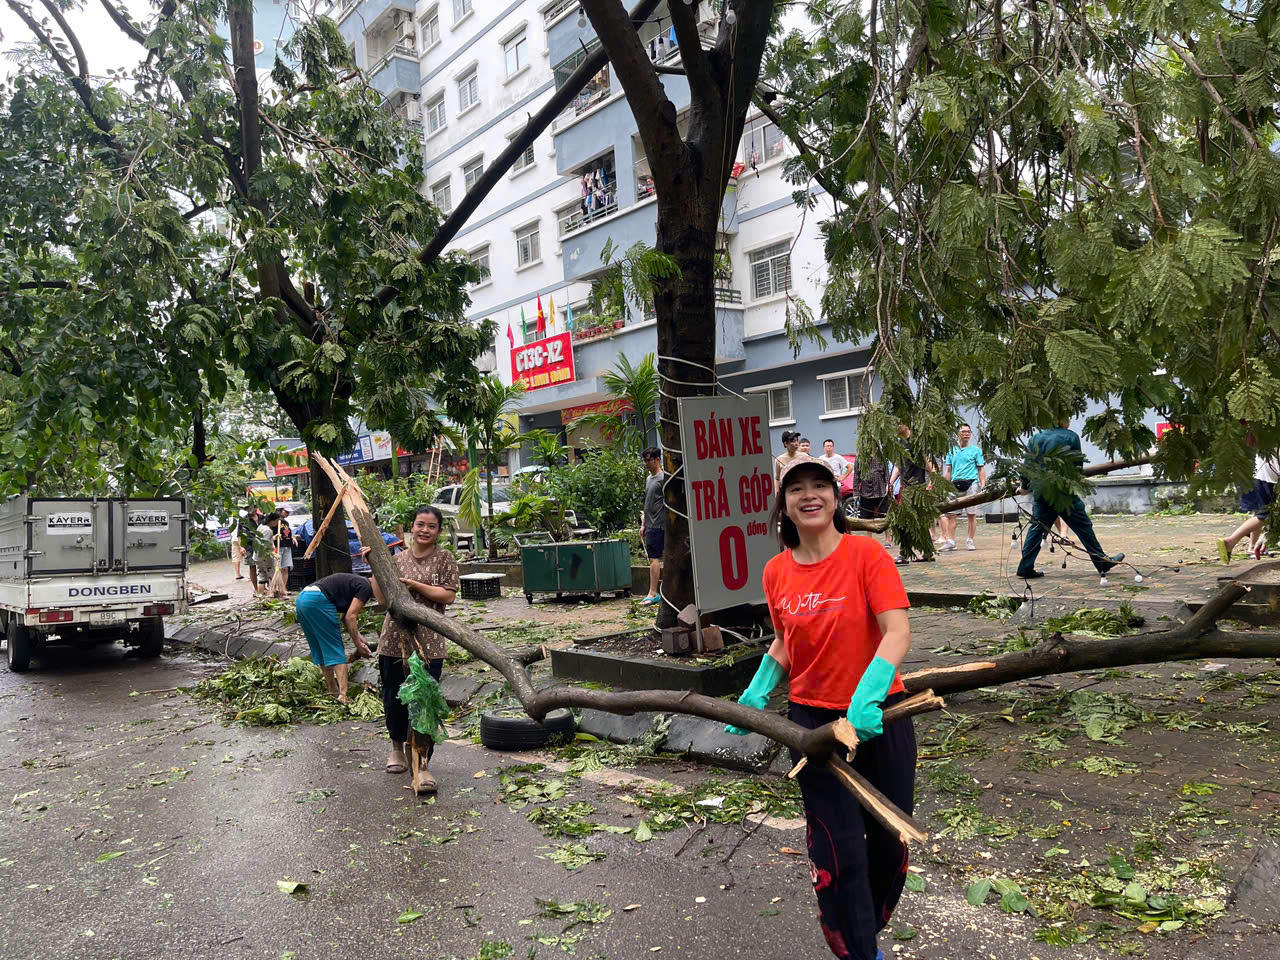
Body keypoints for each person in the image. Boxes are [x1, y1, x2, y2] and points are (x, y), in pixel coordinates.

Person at [726, 454, 915, 960]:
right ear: (783, 506)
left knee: (888, 843)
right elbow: (786, 641)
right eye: (796, 489)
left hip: (881, 718)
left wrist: (870, 693)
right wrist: (761, 684)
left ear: (836, 497)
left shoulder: (866, 556)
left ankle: (867, 929)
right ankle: (858, 950)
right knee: (838, 849)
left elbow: (897, 631)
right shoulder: (776, 571)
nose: (809, 495)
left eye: (820, 485)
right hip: (814, 728)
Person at [368, 506, 459, 793]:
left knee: (425, 702)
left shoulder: (445, 559)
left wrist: (414, 586)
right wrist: (373, 567)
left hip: (430, 642)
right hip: (394, 641)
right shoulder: (395, 560)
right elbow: (383, 599)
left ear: (438, 531)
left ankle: (423, 766)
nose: (425, 530)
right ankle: (396, 748)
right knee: (394, 697)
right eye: (420, 524)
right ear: (412, 526)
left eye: (431, 526)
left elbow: (448, 595)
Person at [1016, 420, 1125, 580]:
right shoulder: (1071, 437)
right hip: (1064, 492)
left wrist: (1024, 486)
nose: (1070, 421)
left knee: (1037, 528)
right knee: (1084, 527)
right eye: (1068, 417)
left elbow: (1028, 466)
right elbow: (1077, 467)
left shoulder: (1035, 438)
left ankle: (1025, 567)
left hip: (1042, 491)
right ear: (1061, 418)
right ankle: (1102, 562)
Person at [294, 572, 376, 702]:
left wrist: (359, 638)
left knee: (321, 647)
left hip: (302, 599)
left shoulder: (357, 582)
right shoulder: (366, 587)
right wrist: (358, 646)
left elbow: (345, 617)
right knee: (335, 648)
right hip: (318, 600)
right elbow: (350, 617)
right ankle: (343, 695)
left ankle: (332, 690)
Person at [1217, 438, 1279, 564]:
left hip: (1261, 473)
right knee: (1266, 515)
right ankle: (1231, 541)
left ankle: (1252, 546)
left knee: (1260, 512)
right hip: (1268, 476)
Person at [888, 424, 935, 565]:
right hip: (905, 488)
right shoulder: (901, 444)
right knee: (905, 521)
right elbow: (898, 465)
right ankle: (925, 552)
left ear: (906, 425)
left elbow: (928, 464)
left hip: (917, 489)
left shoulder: (915, 443)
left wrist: (931, 483)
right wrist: (890, 482)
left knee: (912, 521)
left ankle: (906, 554)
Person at [941, 424, 986, 551]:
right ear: (957, 434)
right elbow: (948, 470)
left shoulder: (976, 450)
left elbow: (981, 469)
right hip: (954, 484)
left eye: (968, 432)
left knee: (971, 514)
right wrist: (945, 486)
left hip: (971, 483)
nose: (966, 434)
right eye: (963, 431)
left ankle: (970, 540)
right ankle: (950, 541)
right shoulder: (951, 450)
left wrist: (983, 486)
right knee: (951, 514)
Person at [640, 447, 666, 606]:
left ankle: (653, 592)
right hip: (649, 524)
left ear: (657, 459)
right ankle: (653, 592)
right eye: (645, 460)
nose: (646, 463)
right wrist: (643, 524)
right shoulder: (649, 479)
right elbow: (648, 503)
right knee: (652, 558)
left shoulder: (663, 478)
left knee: (654, 559)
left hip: (658, 525)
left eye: (649, 460)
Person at [853, 452, 891, 525]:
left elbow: (886, 474)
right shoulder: (860, 457)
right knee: (866, 518)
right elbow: (856, 476)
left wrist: (888, 486)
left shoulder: (881, 456)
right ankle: (868, 536)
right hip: (866, 492)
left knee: (884, 516)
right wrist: (856, 492)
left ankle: (887, 536)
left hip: (881, 492)